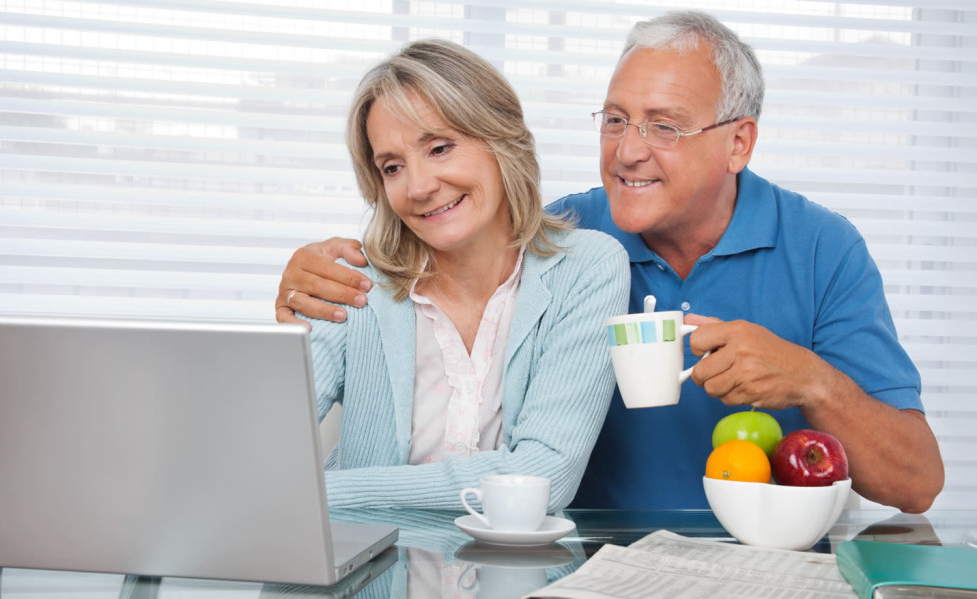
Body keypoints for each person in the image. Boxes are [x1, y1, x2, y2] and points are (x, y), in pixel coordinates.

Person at [275, 13, 943, 513]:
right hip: (590, 568)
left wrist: (812, 381)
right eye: (615, 120)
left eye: (664, 126)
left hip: (766, 566)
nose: (627, 152)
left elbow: (916, 484)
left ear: (738, 143)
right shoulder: (567, 241)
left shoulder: (823, 248)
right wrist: (310, 277)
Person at [298, 39, 629, 511]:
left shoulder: (586, 269)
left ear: (501, 140)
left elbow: (544, 478)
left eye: (440, 148)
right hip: (371, 579)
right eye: (392, 167)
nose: (418, 187)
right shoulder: (352, 281)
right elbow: (256, 450)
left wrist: (318, 495)